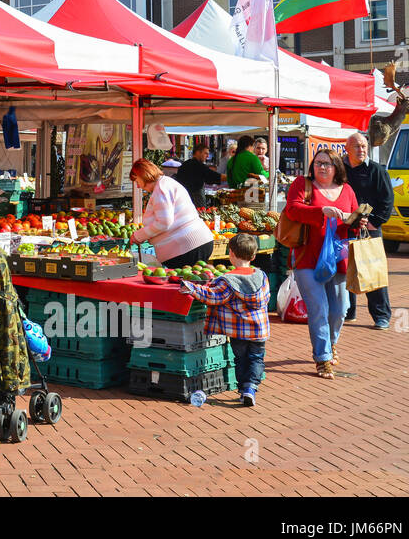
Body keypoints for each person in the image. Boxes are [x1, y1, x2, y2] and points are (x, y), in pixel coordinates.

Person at [283, 149, 357, 379]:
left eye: (327, 164)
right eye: (317, 163)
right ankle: (323, 358)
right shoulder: (302, 184)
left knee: (340, 310)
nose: (321, 167)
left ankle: (330, 343)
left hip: (339, 258)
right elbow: (293, 210)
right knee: (318, 309)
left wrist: (357, 219)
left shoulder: (347, 190)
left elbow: (353, 218)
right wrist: (321, 211)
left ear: (337, 167)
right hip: (308, 256)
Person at [179, 232, 269, 406]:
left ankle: (243, 390)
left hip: (238, 331)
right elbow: (265, 298)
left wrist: (191, 287)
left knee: (241, 360)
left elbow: (212, 296)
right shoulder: (262, 276)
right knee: (257, 359)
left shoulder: (227, 280)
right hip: (259, 330)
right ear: (254, 255)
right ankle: (251, 388)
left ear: (231, 253)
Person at [343, 132, 394, 329]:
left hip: (369, 228)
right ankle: (348, 311)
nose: (361, 150)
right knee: (345, 270)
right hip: (345, 226)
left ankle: (381, 315)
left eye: (364, 146)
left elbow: (387, 199)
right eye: (357, 146)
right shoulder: (340, 168)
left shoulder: (376, 170)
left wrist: (375, 222)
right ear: (347, 148)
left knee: (373, 272)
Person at [129, 159, 215, 269]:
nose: (138, 186)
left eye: (137, 181)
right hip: (193, 244)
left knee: (184, 283)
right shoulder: (165, 184)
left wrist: (138, 236)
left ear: (143, 175)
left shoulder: (161, 188)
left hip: (186, 248)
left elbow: (164, 222)